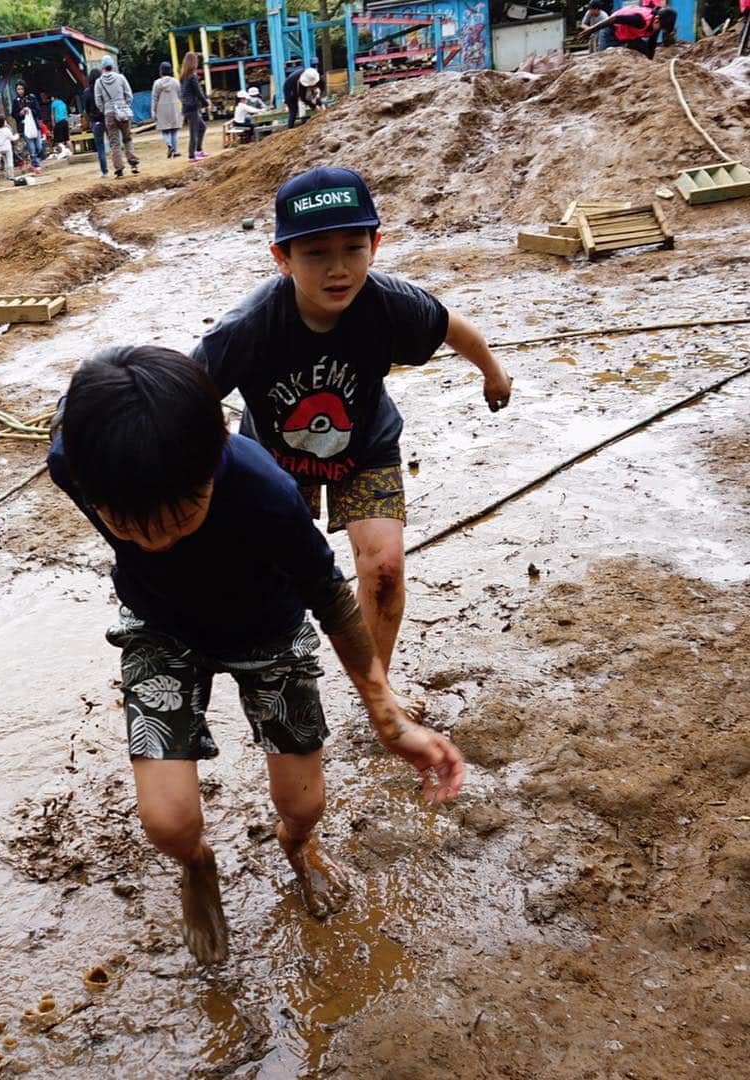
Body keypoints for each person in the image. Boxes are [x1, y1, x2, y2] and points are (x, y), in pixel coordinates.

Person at [48, 345, 465, 965]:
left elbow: (330, 595)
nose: (157, 539)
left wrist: (387, 714)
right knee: (167, 822)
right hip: (160, 626)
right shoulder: (75, 464)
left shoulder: (264, 489)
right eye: (133, 526)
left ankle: (298, 845)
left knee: (303, 801)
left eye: (180, 517)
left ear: (213, 464)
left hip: (267, 627)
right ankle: (197, 864)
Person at [193, 167, 513, 719]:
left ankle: (377, 693)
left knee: (384, 567)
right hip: (274, 460)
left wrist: (493, 373)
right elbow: (186, 398)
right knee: (274, 582)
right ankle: (281, 681)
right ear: (282, 257)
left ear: (375, 246)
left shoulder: (390, 303)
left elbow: (451, 326)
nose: (338, 268)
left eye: (353, 248)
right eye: (316, 253)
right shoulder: (247, 327)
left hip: (366, 447)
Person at [94, 56, 139, 179]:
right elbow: (129, 94)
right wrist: (125, 105)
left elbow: (98, 100)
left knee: (114, 143)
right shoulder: (121, 78)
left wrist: (105, 110)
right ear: (112, 66)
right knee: (127, 138)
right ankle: (133, 164)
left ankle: (119, 169)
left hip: (109, 114)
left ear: (102, 67)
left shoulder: (99, 82)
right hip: (123, 112)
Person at [577, 5, 677, 57]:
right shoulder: (640, 20)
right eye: (661, 27)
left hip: (628, 36)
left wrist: (650, 64)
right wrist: (590, 30)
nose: (660, 30)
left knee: (643, 48)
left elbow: (651, 45)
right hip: (611, 31)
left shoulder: (657, 25)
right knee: (602, 57)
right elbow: (615, 19)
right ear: (656, 19)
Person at [179, 51, 209, 162]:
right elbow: (198, 92)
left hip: (187, 106)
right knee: (194, 131)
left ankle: (199, 150)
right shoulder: (192, 76)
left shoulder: (183, 76)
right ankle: (191, 155)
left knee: (202, 127)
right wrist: (206, 103)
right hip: (192, 107)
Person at [151, 61, 182, 160]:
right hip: (174, 108)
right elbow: (180, 95)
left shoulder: (157, 83)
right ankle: (175, 151)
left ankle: (169, 145)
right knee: (174, 130)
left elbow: (154, 98)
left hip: (161, 109)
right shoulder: (176, 82)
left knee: (165, 131)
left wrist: (153, 111)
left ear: (161, 71)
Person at [83, 70, 109, 178]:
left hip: (95, 121)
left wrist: (91, 118)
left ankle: (105, 172)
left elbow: (86, 108)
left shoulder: (87, 92)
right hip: (106, 118)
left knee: (100, 147)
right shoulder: (103, 89)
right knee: (114, 143)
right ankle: (119, 167)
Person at [0, 114, 15, 180]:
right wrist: (17, 136)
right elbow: (12, 138)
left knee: (5, 161)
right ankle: (11, 175)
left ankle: (7, 175)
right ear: (4, 122)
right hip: (7, 148)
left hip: (0, 149)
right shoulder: (6, 130)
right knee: (10, 161)